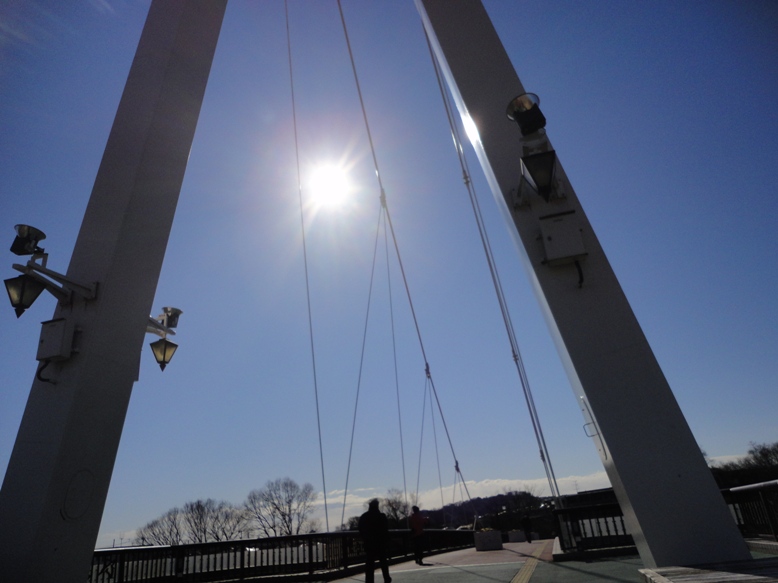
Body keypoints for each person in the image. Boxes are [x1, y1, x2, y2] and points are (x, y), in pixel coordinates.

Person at [358, 499, 391, 583]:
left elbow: (360, 529)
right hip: (381, 543)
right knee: (383, 562)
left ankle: (369, 580)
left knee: (369, 563)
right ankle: (386, 578)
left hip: (369, 543)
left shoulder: (364, 517)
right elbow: (385, 529)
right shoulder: (382, 516)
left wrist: (365, 538)